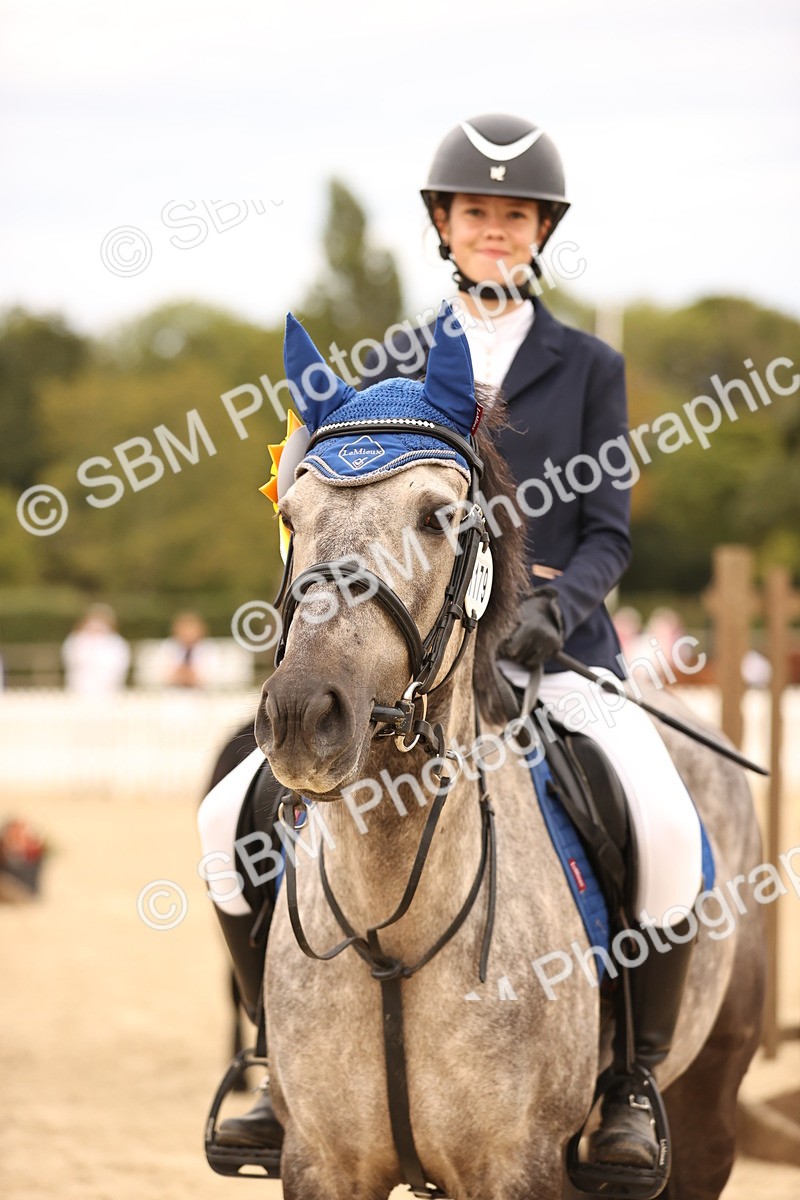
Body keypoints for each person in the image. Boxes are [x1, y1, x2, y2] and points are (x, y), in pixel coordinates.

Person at [199, 113, 703, 1181]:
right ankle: (265, 1063)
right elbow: (344, 516)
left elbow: (606, 527)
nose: (492, 229)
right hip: (405, 658)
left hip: (553, 650)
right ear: (443, 223)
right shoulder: (388, 368)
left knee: (658, 815)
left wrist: (545, 614)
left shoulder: (587, 365)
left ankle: (629, 1083)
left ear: (537, 232)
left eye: (511, 216)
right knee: (223, 813)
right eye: (475, 211)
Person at [61, 603, 130, 695]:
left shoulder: (116, 642)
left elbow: (119, 664)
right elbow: (71, 658)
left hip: (108, 689)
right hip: (80, 688)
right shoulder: (77, 639)